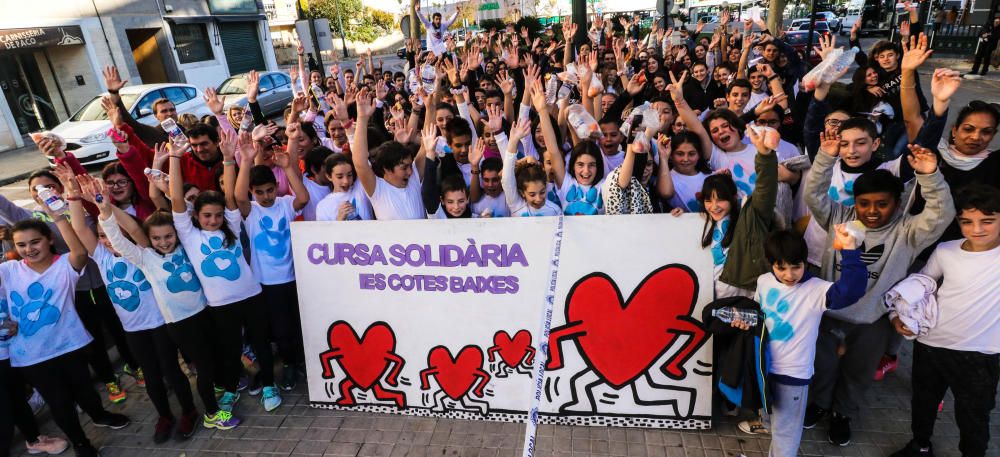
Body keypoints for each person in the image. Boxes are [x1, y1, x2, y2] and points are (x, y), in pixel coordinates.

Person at [803, 131, 955, 446]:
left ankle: (842, 413)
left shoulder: (908, 232)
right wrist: (826, 156)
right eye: (865, 204)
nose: (872, 211)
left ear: (897, 204)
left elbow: (941, 214)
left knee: (858, 373)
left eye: (882, 204)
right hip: (830, 315)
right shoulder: (840, 218)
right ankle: (819, 404)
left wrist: (930, 176)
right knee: (822, 364)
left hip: (873, 322)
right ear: (854, 203)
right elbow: (814, 195)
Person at [65, 173, 202, 443]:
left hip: (161, 322)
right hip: (133, 328)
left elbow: (137, 230)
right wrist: (73, 195)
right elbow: (81, 230)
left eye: (110, 234)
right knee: (151, 376)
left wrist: (106, 206)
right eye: (101, 236)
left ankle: (189, 411)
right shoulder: (102, 257)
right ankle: (164, 415)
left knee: (171, 371)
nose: (105, 240)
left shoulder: (141, 251)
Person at [0, 208, 130, 457]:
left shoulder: (65, 265)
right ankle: (81, 442)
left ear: (49, 239)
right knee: (60, 403)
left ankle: (99, 415)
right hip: (31, 355)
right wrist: (6, 321)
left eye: (35, 241)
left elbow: (81, 252)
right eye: (22, 244)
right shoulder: (9, 270)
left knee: (86, 391)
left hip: (71, 345)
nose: (29, 249)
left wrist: (59, 216)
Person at [888, 184, 1000, 457]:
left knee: (973, 415)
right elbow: (916, 286)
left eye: (988, 220)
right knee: (923, 402)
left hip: (981, 354)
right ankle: (920, 446)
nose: (977, 229)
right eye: (967, 221)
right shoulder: (946, 250)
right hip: (931, 344)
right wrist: (895, 315)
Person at [737, 228, 867, 457]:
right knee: (770, 417)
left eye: (796, 266)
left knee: (786, 435)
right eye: (781, 267)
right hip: (763, 368)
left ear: (805, 262)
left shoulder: (817, 289)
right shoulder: (764, 281)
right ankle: (766, 426)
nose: (789, 274)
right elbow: (759, 315)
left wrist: (850, 250)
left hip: (794, 375)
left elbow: (851, 291)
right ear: (771, 264)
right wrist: (744, 322)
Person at [168, 129, 267, 414]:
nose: (213, 220)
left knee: (259, 342)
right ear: (195, 216)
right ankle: (232, 387)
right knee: (229, 349)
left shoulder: (233, 225)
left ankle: (267, 382)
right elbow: (176, 200)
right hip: (220, 305)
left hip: (252, 295)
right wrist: (175, 157)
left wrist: (229, 159)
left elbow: (232, 196)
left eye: (217, 215)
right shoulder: (188, 234)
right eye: (206, 215)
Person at [234, 122, 310, 394]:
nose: (266, 196)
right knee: (276, 330)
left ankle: (296, 363)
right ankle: (288, 363)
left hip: (291, 278)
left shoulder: (285, 203)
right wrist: (245, 162)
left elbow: (303, 196)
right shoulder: (251, 211)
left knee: (294, 327)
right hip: (265, 283)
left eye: (269, 190)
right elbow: (237, 195)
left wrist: (288, 167)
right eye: (260, 192)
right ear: (254, 192)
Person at [315, 154, 374, 221]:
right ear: (329, 176)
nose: (346, 181)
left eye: (349, 175)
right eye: (339, 177)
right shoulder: (323, 206)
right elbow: (325, 231)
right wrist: (339, 220)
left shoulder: (360, 188)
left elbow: (362, 161)